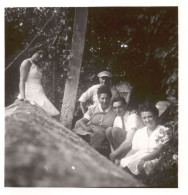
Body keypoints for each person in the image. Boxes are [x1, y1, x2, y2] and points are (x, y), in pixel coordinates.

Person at [120, 103, 169, 176]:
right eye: (144, 118)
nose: (147, 120)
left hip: (154, 158)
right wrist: (123, 160)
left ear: (156, 116)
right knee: (122, 164)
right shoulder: (139, 132)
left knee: (144, 166)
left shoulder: (164, 130)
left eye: (150, 117)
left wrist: (143, 159)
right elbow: (134, 150)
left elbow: (158, 151)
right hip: (139, 158)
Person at [17, 44, 60, 117]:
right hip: (30, 92)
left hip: (39, 93)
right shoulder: (27, 62)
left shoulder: (37, 65)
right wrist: (23, 97)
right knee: (51, 114)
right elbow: (22, 81)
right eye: (39, 53)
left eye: (43, 55)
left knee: (52, 114)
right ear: (34, 51)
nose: (41, 56)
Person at [105, 97, 144, 162]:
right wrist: (114, 154)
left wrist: (115, 154)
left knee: (115, 131)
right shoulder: (117, 118)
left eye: (119, 107)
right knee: (108, 130)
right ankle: (118, 158)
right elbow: (111, 140)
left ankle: (121, 157)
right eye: (115, 108)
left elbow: (129, 141)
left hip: (136, 145)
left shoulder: (132, 116)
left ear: (125, 106)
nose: (117, 110)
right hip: (124, 146)